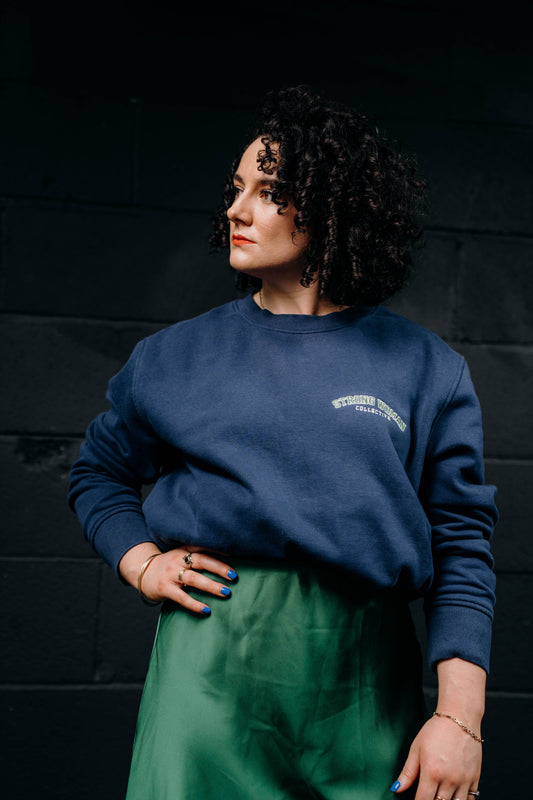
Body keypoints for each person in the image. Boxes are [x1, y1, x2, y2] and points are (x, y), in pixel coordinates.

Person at [68, 85, 497, 800]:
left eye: (268, 193)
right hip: (208, 676)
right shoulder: (172, 357)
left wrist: (460, 718)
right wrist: (141, 562)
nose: (236, 210)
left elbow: (461, 546)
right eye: (236, 189)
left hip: (364, 686)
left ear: (332, 207)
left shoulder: (427, 368)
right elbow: (98, 473)